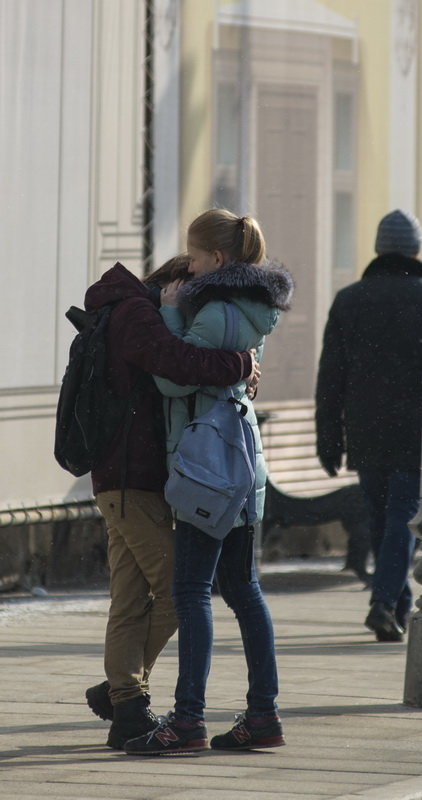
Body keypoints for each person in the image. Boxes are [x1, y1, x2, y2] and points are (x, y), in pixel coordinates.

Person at [125, 209, 293, 755]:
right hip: (238, 467)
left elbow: (175, 378)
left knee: (192, 590)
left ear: (217, 259)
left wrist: (170, 314)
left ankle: (187, 719)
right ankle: (262, 715)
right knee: (243, 590)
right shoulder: (248, 306)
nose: (188, 267)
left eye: (194, 257)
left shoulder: (216, 310)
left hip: (209, 471)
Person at [83, 256, 259, 749]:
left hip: (125, 479)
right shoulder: (137, 314)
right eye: (193, 292)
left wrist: (234, 376)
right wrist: (241, 362)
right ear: (174, 283)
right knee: (181, 591)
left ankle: (126, 703)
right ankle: (125, 697)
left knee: (133, 597)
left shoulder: (127, 309)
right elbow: (179, 365)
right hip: (130, 479)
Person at [315, 209, 422, 643]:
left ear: (380, 249)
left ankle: (394, 607)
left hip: (367, 431)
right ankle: (385, 602)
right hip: (416, 434)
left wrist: (329, 438)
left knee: (383, 519)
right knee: (402, 518)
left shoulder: (350, 299)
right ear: (415, 249)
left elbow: (331, 377)